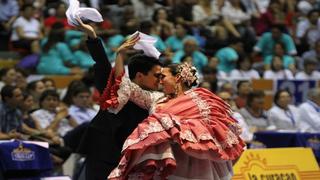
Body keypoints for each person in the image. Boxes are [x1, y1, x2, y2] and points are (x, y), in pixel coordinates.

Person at [103, 34, 245, 179]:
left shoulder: (201, 99)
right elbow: (125, 85)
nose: (160, 81)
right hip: (166, 163)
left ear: (177, 78)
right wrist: (119, 55)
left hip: (196, 163)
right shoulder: (156, 98)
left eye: (163, 77)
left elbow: (218, 129)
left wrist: (179, 129)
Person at [74, 18, 163, 179]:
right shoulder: (117, 89)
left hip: (135, 158)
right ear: (140, 76)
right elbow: (102, 65)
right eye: (156, 75)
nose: (160, 80)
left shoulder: (156, 98)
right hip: (103, 153)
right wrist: (92, 36)